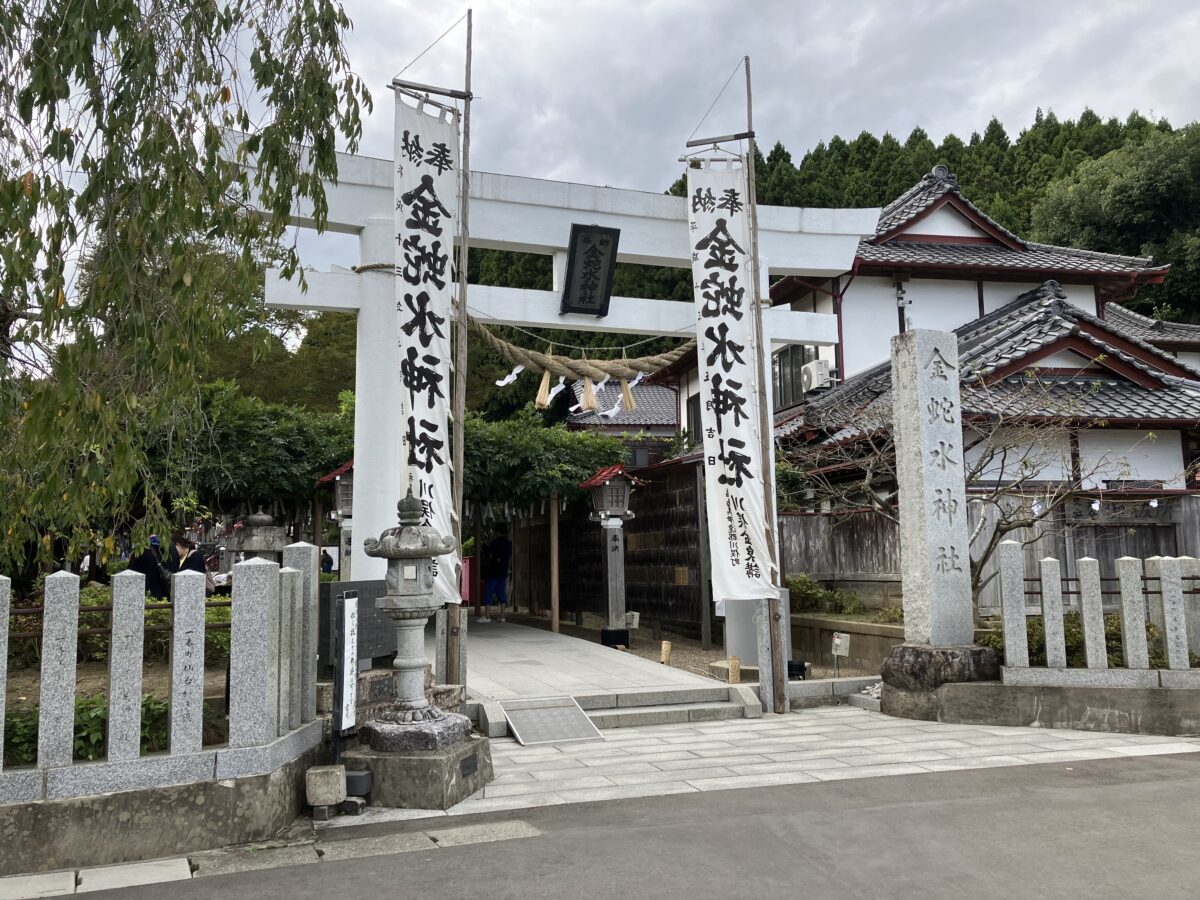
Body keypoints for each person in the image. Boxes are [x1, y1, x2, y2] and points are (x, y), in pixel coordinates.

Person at [479, 524, 512, 623]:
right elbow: (509, 555)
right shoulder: (508, 543)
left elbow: (487, 551)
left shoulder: (495, 542)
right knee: (501, 592)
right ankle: (502, 616)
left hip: (494, 571)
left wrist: (484, 545)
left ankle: (487, 616)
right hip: (503, 570)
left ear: (498, 532)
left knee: (489, 592)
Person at [127, 534, 169, 600]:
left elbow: (130, 574)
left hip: (144, 595)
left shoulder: (139, 551)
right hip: (162, 594)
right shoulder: (166, 549)